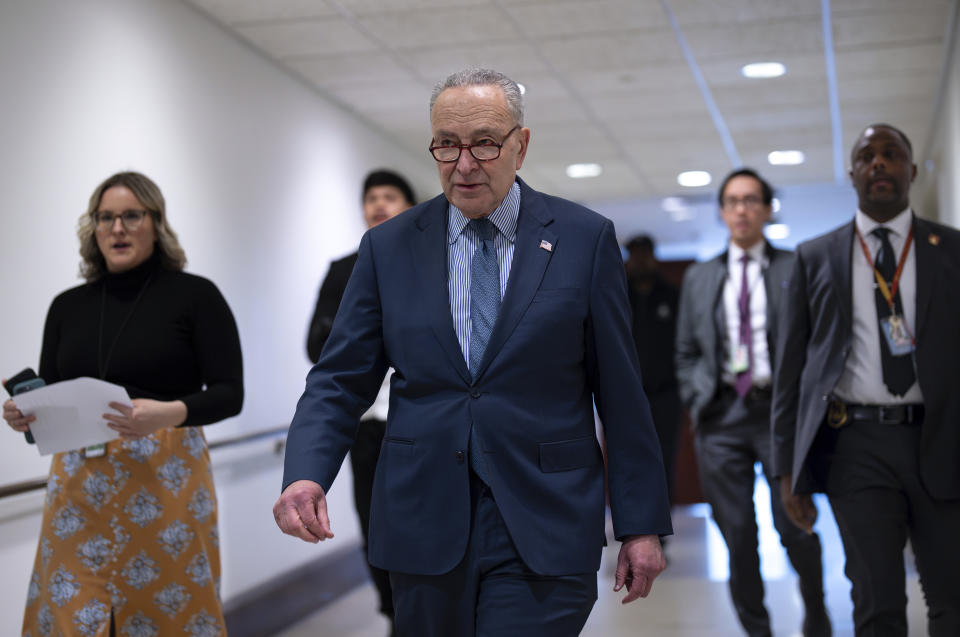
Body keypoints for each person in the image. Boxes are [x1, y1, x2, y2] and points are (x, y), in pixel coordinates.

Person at [273, 68, 671, 636]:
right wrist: (306, 474)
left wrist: (641, 524)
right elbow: (340, 378)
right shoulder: (389, 248)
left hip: (546, 517)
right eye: (447, 144)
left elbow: (621, 393)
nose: (464, 163)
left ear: (520, 145)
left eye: (484, 142)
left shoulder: (584, 239)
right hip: (424, 520)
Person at [3, 172, 243, 636]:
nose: (117, 228)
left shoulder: (196, 296)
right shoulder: (67, 306)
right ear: (92, 229)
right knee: (73, 615)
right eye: (105, 218)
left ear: (156, 223)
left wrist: (168, 412)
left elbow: (230, 392)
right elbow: (50, 394)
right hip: (78, 487)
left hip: (165, 478)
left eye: (131, 215)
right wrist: (24, 416)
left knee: (167, 615)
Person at [772, 124, 960, 636]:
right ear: (852, 173)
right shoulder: (815, 256)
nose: (879, 163)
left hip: (941, 439)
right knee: (876, 601)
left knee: (952, 597)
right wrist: (787, 467)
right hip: (855, 447)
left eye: (892, 154)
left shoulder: (952, 250)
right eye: (867, 156)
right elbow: (792, 370)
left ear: (912, 171)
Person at [675, 168, 830, 637]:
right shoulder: (700, 277)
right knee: (738, 535)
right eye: (732, 201)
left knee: (793, 524)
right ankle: (757, 630)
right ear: (723, 212)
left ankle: (817, 612)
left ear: (766, 208)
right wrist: (695, 397)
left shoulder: (795, 267)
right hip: (721, 418)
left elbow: (816, 343)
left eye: (751, 200)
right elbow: (686, 351)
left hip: (778, 416)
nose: (741, 209)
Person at [306, 169, 416, 633]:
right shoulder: (343, 270)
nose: (379, 204)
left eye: (390, 196)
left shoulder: (434, 262)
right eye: (371, 197)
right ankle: (393, 613)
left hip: (421, 421)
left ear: (411, 206)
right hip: (368, 425)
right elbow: (317, 345)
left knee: (425, 525)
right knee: (374, 528)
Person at [624, 235, 681, 505]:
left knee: (664, 458)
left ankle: (662, 527)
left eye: (645, 254)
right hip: (628, 395)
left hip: (666, 394)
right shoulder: (619, 295)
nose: (641, 261)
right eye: (635, 255)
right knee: (630, 459)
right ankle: (634, 523)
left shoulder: (672, 295)